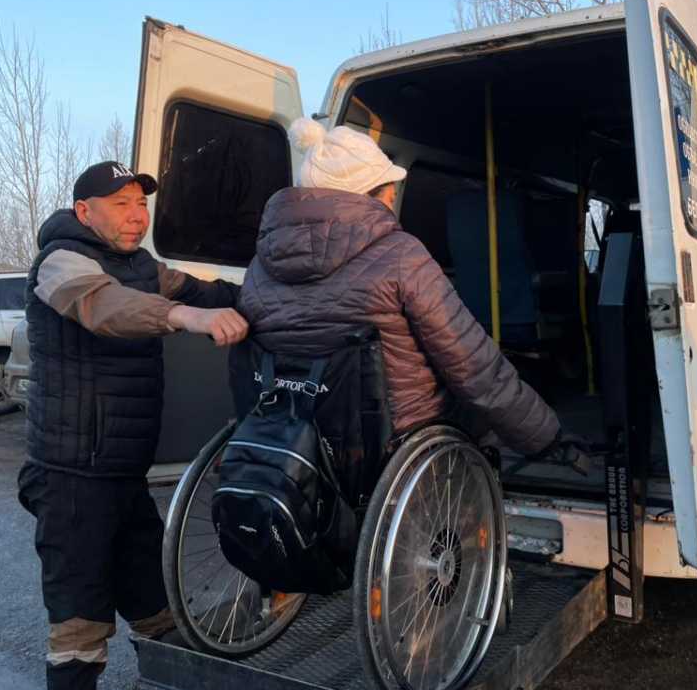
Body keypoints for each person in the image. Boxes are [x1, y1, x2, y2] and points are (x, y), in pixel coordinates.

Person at [18, 160, 246, 690]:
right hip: (72, 480)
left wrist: (268, 293)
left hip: (123, 477)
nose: (136, 215)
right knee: (79, 634)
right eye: (120, 204)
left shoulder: (143, 268)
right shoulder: (61, 262)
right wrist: (185, 317)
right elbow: (105, 308)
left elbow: (208, 289)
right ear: (84, 211)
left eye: (141, 203)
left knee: (157, 615)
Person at [237, 119, 583, 461]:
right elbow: (472, 363)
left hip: (291, 430)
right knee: (473, 411)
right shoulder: (402, 255)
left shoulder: (260, 265)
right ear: (368, 196)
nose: (392, 206)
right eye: (389, 196)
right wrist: (546, 437)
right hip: (392, 436)